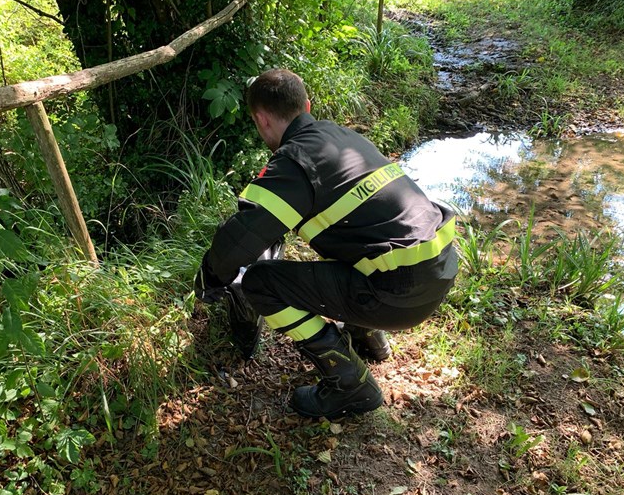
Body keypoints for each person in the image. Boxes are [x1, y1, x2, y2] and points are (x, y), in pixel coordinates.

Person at [195, 68, 458, 420]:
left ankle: (350, 385)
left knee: (259, 282)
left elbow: (240, 239)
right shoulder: (342, 136)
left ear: (261, 119)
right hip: (439, 271)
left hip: (398, 295)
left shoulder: (295, 163)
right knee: (358, 239)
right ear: (306, 105)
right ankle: (368, 339)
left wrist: (209, 278)